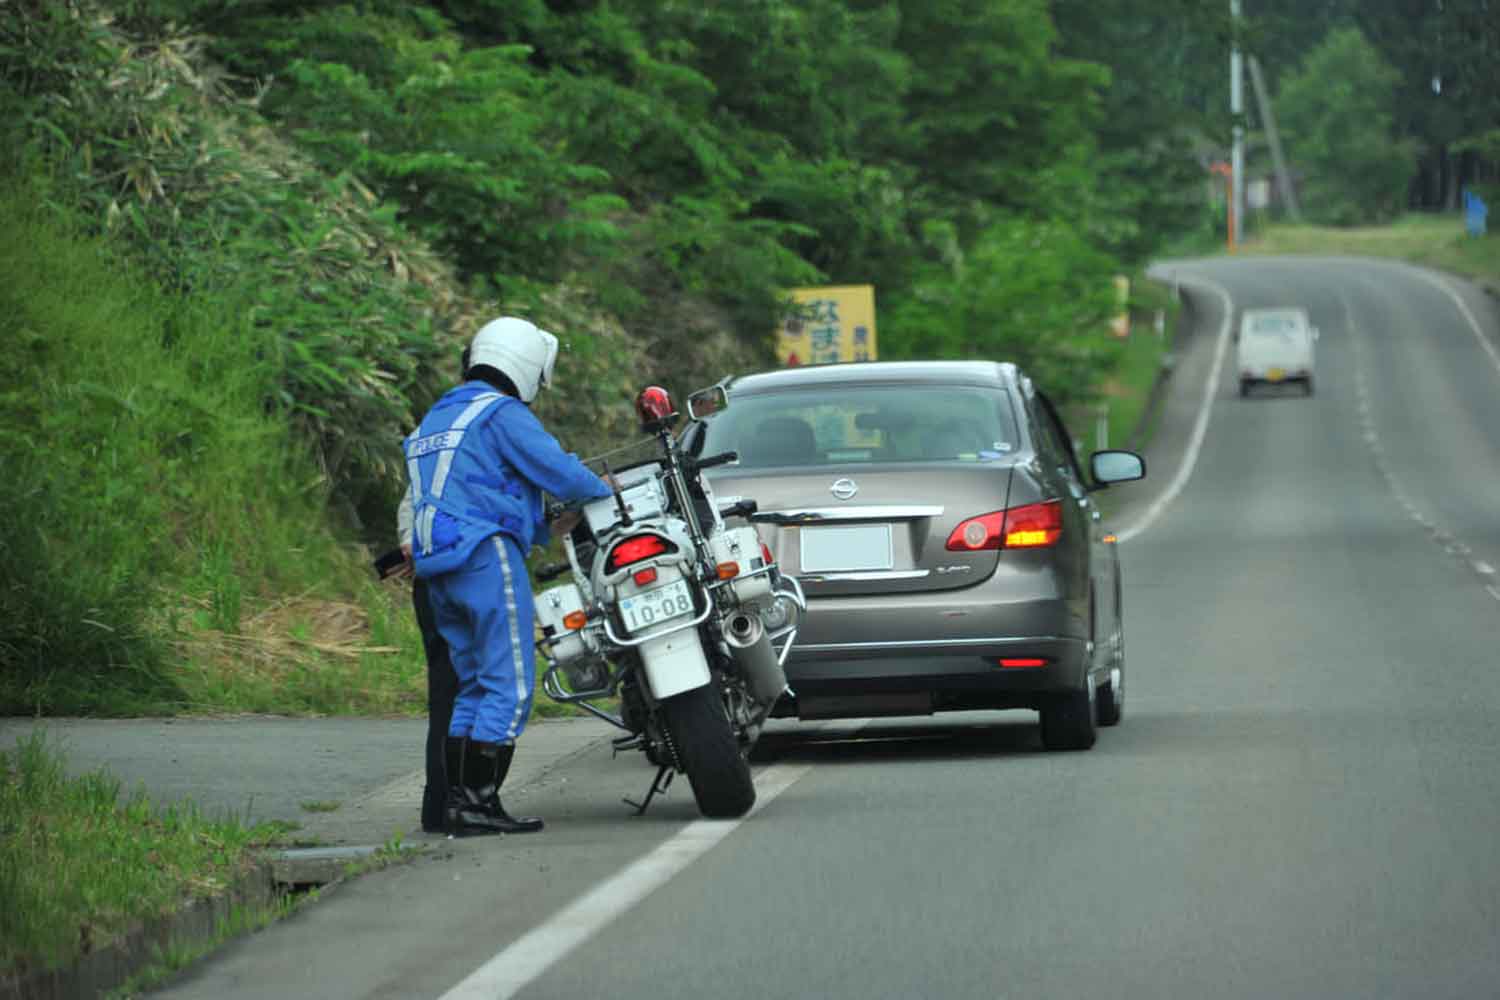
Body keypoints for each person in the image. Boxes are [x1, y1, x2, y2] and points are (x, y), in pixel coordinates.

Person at [405, 316, 611, 835]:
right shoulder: (501, 413)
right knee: (511, 682)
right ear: (525, 363)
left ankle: (459, 805)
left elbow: (474, 488)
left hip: (437, 568)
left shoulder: (440, 416)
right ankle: (480, 800)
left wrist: (542, 523)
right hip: (484, 556)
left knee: (472, 685)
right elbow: (561, 472)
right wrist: (603, 491)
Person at [396, 490, 458, 834]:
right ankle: (455, 803)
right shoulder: (478, 438)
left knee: (445, 691)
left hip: (427, 577)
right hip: (459, 576)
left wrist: (408, 539)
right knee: (465, 688)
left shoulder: (426, 444)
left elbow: (410, 501)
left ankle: (438, 804)